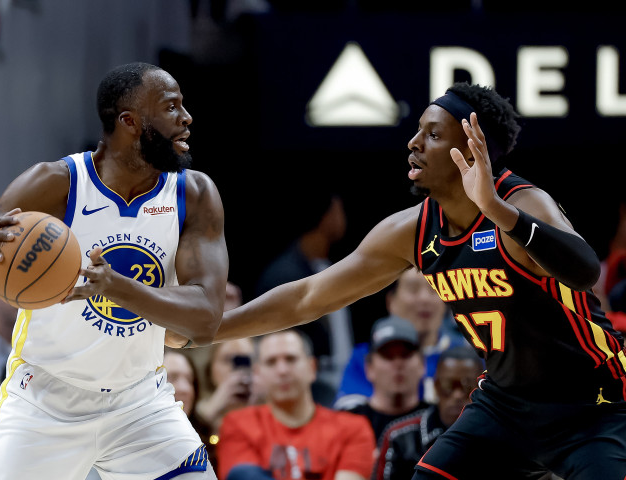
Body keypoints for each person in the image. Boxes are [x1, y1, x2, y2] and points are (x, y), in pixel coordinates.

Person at [177, 82, 626, 479]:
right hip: (507, 404)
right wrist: (210, 329)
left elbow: (585, 271)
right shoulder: (413, 229)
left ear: (473, 151)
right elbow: (308, 297)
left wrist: (495, 209)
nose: (413, 143)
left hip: (592, 403)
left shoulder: (522, 203)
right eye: (418, 132)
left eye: (433, 134)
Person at [0, 62, 227, 479]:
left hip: (140, 402)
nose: (186, 117)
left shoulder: (192, 193)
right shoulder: (55, 185)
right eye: (171, 107)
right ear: (129, 122)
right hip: (44, 401)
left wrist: (117, 288)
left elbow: (206, 319)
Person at [217, 329, 375, 480]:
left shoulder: (352, 428)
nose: (282, 370)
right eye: (271, 362)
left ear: (312, 367)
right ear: (257, 372)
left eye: (291, 359)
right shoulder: (238, 425)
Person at [255, 191, 351, 398]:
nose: (344, 217)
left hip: (341, 379)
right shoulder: (283, 276)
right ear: (327, 217)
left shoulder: (329, 266)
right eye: (340, 210)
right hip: (308, 386)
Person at [336, 268, 464, 406]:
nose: (424, 298)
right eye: (413, 289)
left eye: (433, 290)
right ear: (391, 301)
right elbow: (348, 410)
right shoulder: (363, 358)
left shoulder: (466, 358)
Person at [372, 345, 484, 480]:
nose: (457, 395)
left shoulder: (497, 435)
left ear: (480, 388)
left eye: (467, 386)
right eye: (448, 385)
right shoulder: (399, 436)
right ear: (436, 386)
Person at [335, 315, 429, 448]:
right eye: (388, 356)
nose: (398, 364)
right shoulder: (345, 424)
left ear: (422, 364)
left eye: (405, 354)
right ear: (369, 368)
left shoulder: (438, 420)